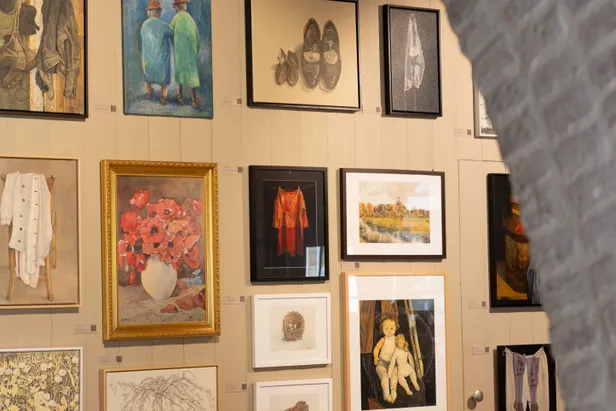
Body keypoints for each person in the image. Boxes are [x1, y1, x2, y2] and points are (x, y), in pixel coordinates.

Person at [140, 0, 173, 105]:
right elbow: (172, 33)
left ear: (149, 12)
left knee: (148, 76)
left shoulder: (144, 25)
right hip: (161, 61)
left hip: (148, 60)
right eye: (160, 10)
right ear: (158, 12)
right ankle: (163, 96)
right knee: (164, 78)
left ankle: (149, 92)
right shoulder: (163, 25)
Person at [169, 0, 200, 108]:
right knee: (191, 75)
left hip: (180, 51)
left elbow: (170, 31)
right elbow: (197, 35)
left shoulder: (176, 18)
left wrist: (174, 42)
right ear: (184, 5)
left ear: (176, 7)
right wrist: (196, 49)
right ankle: (194, 100)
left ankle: (180, 97)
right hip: (190, 52)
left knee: (181, 74)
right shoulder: (190, 18)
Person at [373, 316, 399, 403]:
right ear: (382, 329)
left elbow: (402, 349)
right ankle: (386, 394)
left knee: (394, 377)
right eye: (386, 328)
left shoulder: (397, 339)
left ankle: (393, 391)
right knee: (384, 376)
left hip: (393, 364)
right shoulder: (383, 339)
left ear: (396, 328)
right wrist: (376, 357)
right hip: (382, 364)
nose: (389, 331)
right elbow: (376, 348)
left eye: (391, 328)